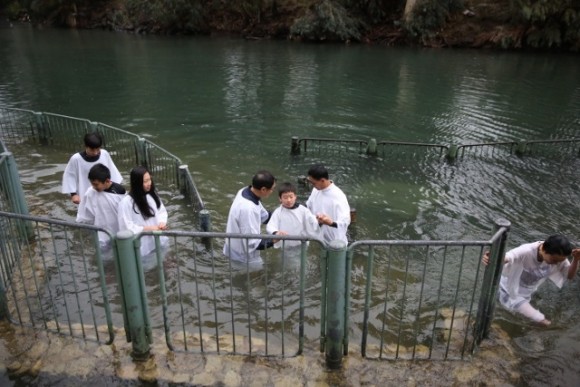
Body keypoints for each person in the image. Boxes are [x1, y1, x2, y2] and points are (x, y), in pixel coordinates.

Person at [483, 234, 580, 326]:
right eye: (554, 260)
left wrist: (576, 259)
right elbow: (509, 256)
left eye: (560, 261)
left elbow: (569, 276)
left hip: (526, 293)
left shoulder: (558, 256)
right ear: (543, 249)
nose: (556, 264)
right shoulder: (526, 251)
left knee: (528, 320)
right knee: (543, 321)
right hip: (508, 289)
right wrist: (493, 258)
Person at [223, 170, 277, 265]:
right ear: (263, 189)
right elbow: (253, 243)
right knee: (257, 277)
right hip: (242, 256)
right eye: (272, 189)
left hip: (233, 246)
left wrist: (283, 214)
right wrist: (275, 239)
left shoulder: (245, 191)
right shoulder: (248, 209)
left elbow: (264, 216)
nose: (272, 192)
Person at [118, 166, 168, 257]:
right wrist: (147, 229)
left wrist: (162, 222)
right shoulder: (126, 203)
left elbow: (161, 211)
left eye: (149, 180)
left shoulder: (152, 195)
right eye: (145, 181)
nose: (149, 183)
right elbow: (126, 227)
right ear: (137, 183)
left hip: (158, 240)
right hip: (142, 247)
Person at [61, 132, 122, 207]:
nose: (95, 152)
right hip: (85, 191)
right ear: (86, 146)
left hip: (104, 191)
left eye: (98, 149)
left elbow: (112, 172)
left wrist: (115, 189)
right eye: (92, 150)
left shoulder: (104, 154)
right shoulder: (76, 159)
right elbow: (70, 176)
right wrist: (73, 194)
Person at [76, 163, 126, 249]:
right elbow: (86, 213)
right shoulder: (91, 192)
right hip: (101, 233)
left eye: (96, 184)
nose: (93, 187)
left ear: (107, 181)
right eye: (92, 184)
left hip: (118, 231)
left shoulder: (119, 192)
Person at [305, 164, 351, 246]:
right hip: (320, 239)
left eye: (314, 183)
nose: (312, 185)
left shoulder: (338, 196)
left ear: (322, 180)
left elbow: (345, 221)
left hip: (336, 244)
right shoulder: (316, 190)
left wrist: (331, 223)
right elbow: (309, 206)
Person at [266, 182, 321, 249]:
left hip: (301, 243)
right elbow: (270, 226)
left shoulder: (303, 210)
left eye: (291, 197)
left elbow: (312, 222)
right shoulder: (278, 212)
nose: (288, 200)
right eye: (285, 198)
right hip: (286, 244)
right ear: (280, 199)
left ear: (295, 197)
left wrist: (319, 221)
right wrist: (276, 232)